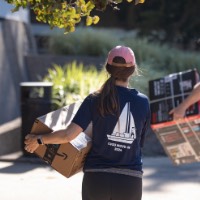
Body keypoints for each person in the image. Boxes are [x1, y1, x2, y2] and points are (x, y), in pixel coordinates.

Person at [24, 45, 151, 200]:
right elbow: (138, 142)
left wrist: (39, 140)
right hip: (130, 180)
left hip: (96, 179)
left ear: (107, 68)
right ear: (132, 70)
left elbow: (68, 135)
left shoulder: (95, 99)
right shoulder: (142, 102)